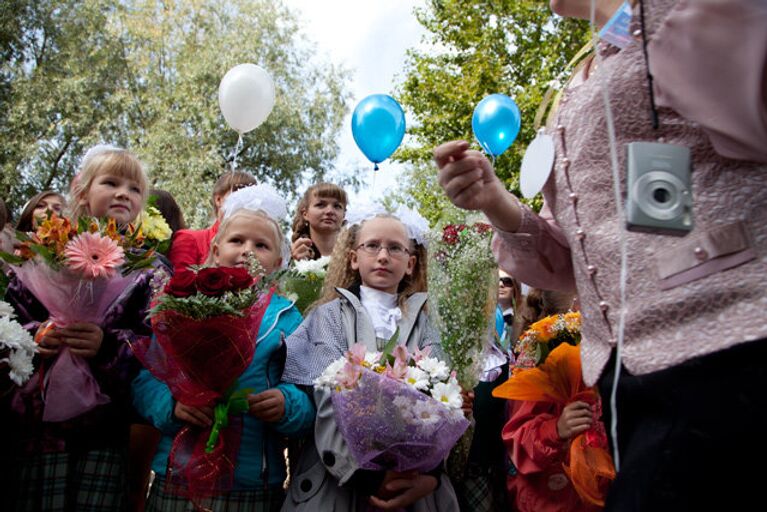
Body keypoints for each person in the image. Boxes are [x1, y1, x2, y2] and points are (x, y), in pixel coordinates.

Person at [435, 1, 767, 510]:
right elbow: (574, 260)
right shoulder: (571, 80)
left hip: (729, 343)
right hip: (625, 378)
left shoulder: (680, 10)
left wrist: (627, 11)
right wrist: (495, 201)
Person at [132, 184, 314, 512]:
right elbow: (147, 378)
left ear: (277, 261)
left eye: (261, 245)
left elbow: (307, 392)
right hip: (179, 473)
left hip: (254, 481)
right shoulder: (182, 303)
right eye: (237, 240)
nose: (247, 250)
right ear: (216, 249)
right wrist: (171, 405)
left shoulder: (287, 316)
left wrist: (287, 404)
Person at [2, 144, 162, 510]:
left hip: (105, 431)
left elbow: (155, 345)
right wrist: (36, 334)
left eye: (134, 188)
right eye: (110, 182)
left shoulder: (147, 270)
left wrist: (107, 345)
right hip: (39, 429)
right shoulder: (43, 253)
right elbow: (10, 316)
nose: (124, 193)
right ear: (82, 192)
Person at [281, 208, 460, 511]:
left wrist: (428, 473)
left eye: (395, 248)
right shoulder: (329, 316)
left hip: (412, 481)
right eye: (372, 245)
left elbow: (444, 403)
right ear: (353, 258)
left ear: (410, 264)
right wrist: (363, 476)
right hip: (338, 483)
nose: (383, 256)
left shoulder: (427, 325)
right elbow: (325, 395)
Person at [167, 170, 256, 272]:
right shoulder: (191, 239)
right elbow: (178, 283)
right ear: (218, 199)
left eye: (251, 197)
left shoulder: (257, 249)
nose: (245, 202)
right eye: (238, 194)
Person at [290, 183, 347, 261]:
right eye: (320, 205)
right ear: (305, 214)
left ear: (344, 215)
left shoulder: (356, 255)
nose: (330, 211)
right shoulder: (288, 258)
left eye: (337, 206)